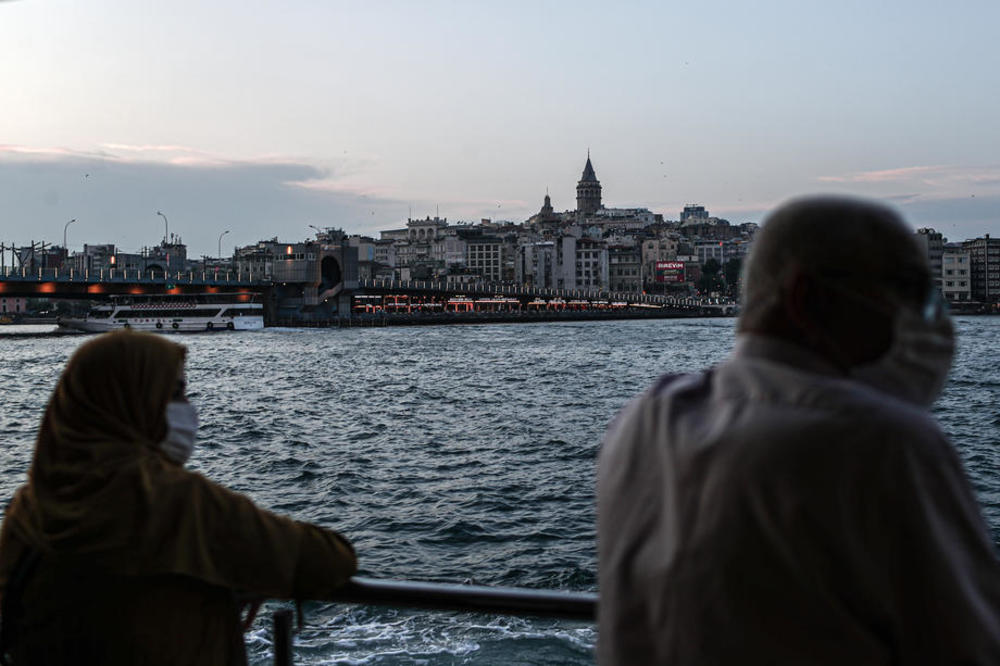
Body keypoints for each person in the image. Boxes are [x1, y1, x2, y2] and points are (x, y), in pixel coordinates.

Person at [597, 196, 1000, 665]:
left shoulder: (645, 420)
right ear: (808, 298)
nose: (928, 316)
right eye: (904, 291)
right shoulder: (881, 444)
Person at [0, 330, 357, 665]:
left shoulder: (27, 512)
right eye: (175, 394)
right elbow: (327, 559)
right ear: (134, 404)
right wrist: (238, 572)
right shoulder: (176, 502)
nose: (187, 407)